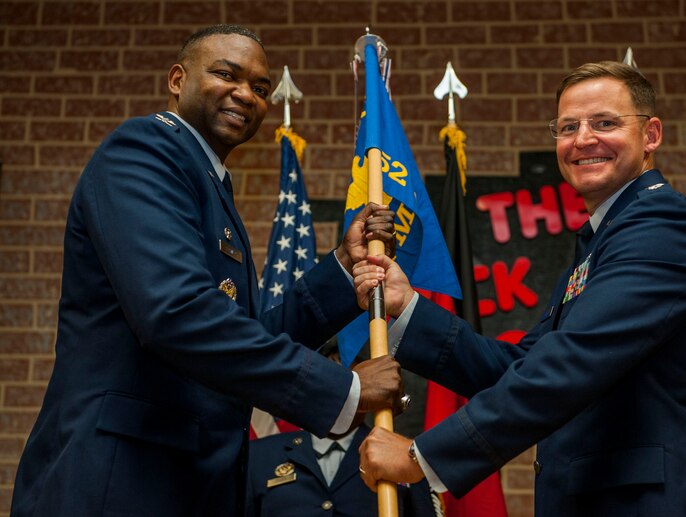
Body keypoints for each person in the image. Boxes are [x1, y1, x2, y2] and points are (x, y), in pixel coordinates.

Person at [11, 25, 404, 517]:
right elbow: (176, 312)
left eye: (261, 88)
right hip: (122, 482)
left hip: (188, 483)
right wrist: (342, 389)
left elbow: (246, 334)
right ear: (177, 79)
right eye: (226, 74)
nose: (247, 94)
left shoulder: (210, 183)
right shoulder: (144, 152)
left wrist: (343, 270)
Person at [353, 61, 686, 516]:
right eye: (568, 126)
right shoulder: (605, 236)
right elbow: (522, 365)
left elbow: (572, 362)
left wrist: (425, 456)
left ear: (651, 135)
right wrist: (407, 306)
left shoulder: (663, 226)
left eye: (605, 123)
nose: (582, 140)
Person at [246, 339, 438, 517]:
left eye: (350, 383)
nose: (337, 393)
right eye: (329, 382)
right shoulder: (259, 457)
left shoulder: (402, 455)